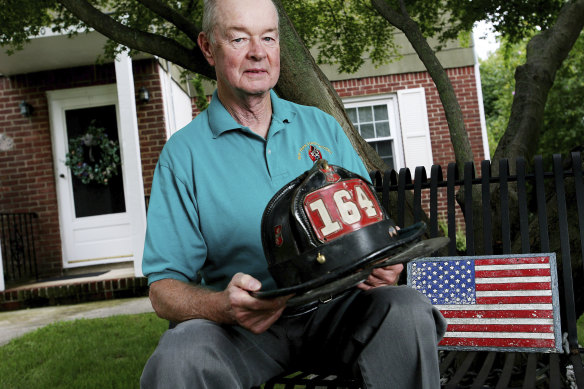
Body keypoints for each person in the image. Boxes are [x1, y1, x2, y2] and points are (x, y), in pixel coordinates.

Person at [140, 0, 446, 388]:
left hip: (338, 312)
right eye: (238, 38)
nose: (258, 52)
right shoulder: (183, 154)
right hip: (246, 330)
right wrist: (223, 307)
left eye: (268, 37)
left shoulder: (322, 127)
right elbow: (163, 291)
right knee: (181, 352)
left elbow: (370, 227)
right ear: (207, 47)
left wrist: (382, 264)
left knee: (406, 308)